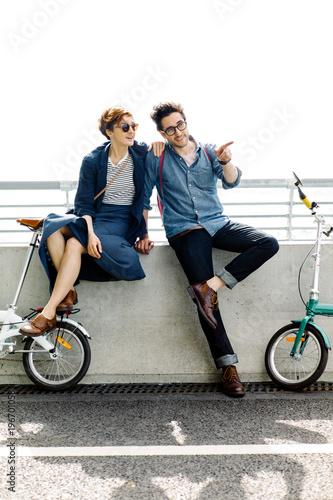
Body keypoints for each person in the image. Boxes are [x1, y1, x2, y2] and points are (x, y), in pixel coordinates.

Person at [136, 102, 279, 398]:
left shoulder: (210, 151)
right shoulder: (157, 157)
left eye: (181, 124)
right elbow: (144, 197)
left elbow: (231, 181)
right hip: (185, 230)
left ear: (187, 122)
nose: (178, 132)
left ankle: (210, 286)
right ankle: (228, 368)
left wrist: (226, 161)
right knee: (207, 305)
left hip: (217, 223)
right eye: (170, 129)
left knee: (268, 243)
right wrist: (144, 232)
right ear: (162, 133)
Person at [20, 106, 163, 337]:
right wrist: (91, 232)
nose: (131, 131)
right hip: (93, 217)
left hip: (121, 219)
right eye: (125, 127)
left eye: (134, 126)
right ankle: (66, 293)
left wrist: (144, 234)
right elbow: (84, 204)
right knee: (53, 227)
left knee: (75, 243)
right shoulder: (93, 160)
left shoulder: (141, 153)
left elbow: (145, 197)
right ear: (109, 131)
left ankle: (48, 313)